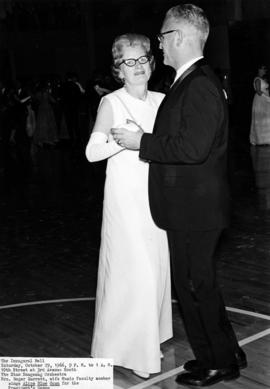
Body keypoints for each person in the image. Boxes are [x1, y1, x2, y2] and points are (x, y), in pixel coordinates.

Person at [112, 4, 247, 387]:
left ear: (181, 37)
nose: (160, 44)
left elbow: (192, 148)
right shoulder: (194, 79)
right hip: (195, 206)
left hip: (195, 209)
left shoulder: (199, 83)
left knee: (193, 286)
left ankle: (217, 362)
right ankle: (225, 350)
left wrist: (143, 142)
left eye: (163, 36)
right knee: (202, 284)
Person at [85, 33, 172, 378]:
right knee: (137, 274)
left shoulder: (163, 100)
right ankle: (136, 355)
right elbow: (92, 153)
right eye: (128, 62)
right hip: (125, 202)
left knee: (157, 271)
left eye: (142, 59)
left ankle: (151, 338)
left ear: (151, 62)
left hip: (156, 197)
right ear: (118, 70)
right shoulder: (112, 103)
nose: (136, 67)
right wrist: (122, 141)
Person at [249, 65, 270, 146]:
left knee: (265, 119)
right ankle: (260, 140)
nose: (264, 70)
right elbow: (258, 91)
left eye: (265, 69)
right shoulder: (257, 79)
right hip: (260, 100)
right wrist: (268, 97)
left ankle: (266, 139)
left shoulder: (262, 79)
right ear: (259, 70)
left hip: (264, 100)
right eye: (263, 69)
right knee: (260, 119)